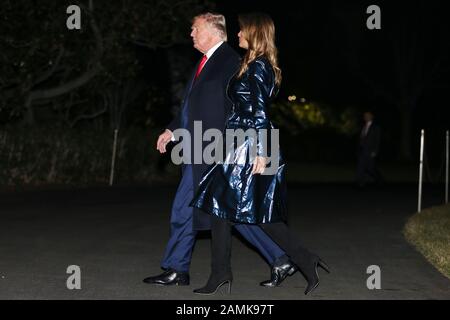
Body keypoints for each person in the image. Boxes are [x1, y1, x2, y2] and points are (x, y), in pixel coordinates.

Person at [143, 12, 297, 288]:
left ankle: (177, 269)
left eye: (195, 29)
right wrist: (172, 129)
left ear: (214, 31)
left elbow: (247, 110)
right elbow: (190, 107)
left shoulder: (231, 63)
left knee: (187, 209)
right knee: (228, 215)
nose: (191, 34)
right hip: (197, 148)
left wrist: (252, 150)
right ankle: (281, 257)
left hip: (216, 149)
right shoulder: (203, 63)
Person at [190, 12, 330, 295]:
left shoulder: (260, 67)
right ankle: (301, 259)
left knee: (242, 211)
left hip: (249, 145)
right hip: (239, 142)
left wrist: (262, 151)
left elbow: (260, 112)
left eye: (242, 30)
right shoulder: (251, 64)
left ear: (254, 34)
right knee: (236, 211)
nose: (238, 34)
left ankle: (226, 272)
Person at [356, 111, 383, 187]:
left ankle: (380, 179)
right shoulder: (363, 126)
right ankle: (360, 183)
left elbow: (377, 140)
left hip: (370, 151)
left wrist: (375, 151)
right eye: (364, 116)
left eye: (367, 116)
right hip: (362, 150)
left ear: (371, 117)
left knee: (370, 168)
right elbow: (361, 138)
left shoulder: (375, 127)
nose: (365, 117)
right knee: (360, 166)